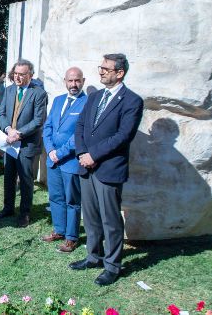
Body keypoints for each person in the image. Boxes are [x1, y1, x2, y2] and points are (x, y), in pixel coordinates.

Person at [69, 54, 143, 286]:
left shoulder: (132, 101)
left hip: (108, 168)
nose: (100, 72)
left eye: (105, 68)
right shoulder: (94, 97)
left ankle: (112, 265)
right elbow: (80, 126)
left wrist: (94, 155)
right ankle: (94, 256)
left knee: (110, 220)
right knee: (90, 216)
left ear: (119, 73)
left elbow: (123, 136)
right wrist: (82, 153)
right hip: (86, 166)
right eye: (100, 67)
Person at [0, 58, 47, 228]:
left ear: (30, 75)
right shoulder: (8, 91)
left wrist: (19, 134)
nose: (17, 77)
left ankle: (25, 213)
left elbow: (39, 120)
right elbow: (1, 114)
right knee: (9, 177)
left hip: (27, 144)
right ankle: (8, 208)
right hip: (9, 141)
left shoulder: (38, 93)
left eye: (21, 74)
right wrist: (9, 129)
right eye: (15, 74)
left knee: (25, 179)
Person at [42, 67, 88, 253]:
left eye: (77, 81)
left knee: (72, 200)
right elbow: (48, 127)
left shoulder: (87, 103)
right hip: (53, 159)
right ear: (65, 81)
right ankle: (59, 230)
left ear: (83, 81)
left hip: (70, 161)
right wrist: (50, 150)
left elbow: (79, 134)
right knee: (56, 197)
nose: (74, 84)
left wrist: (60, 153)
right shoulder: (58, 100)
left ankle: (71, 237)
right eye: (70, 81)